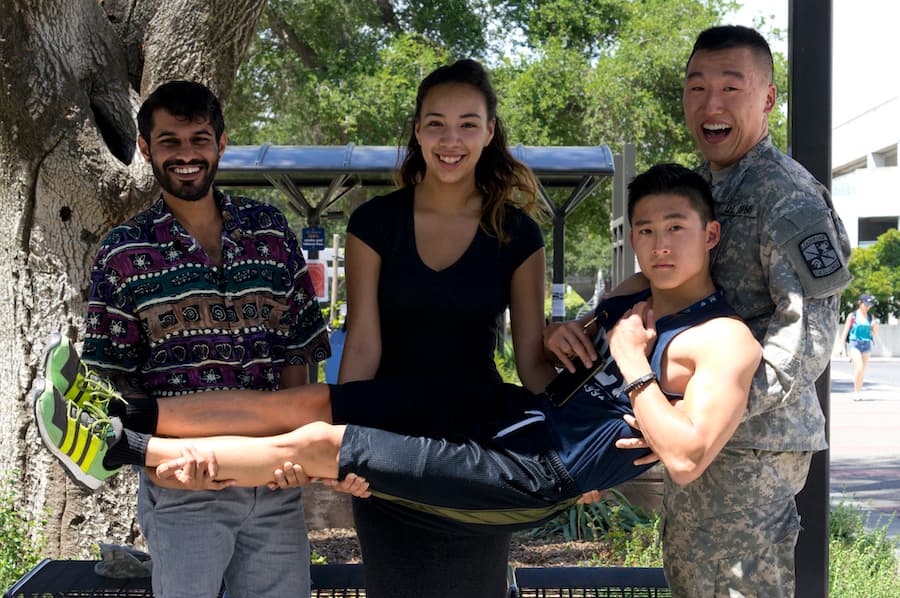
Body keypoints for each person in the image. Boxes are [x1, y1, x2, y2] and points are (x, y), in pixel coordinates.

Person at [35, 164, 760, 544]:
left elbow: (687, 457)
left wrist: (631, 365)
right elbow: (563, 354)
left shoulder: (724, 341)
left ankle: (116, 448)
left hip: (537, 473)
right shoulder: (638, 291)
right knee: (308, 400)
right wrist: (561, 332)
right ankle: (121, 407)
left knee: (319, 444)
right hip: (513, 412)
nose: (659, 245)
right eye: (645, 230)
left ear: (711, 236)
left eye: (676, 228)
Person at [68, 80, 331, 598]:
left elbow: (297, 351)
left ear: (221, 143)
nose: (186, 154)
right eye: (170, 141)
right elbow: (112, 384)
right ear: (145, 147)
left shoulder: (269, 230)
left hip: (272, 476)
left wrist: (296, 449)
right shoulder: (124, 253)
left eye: (199, 139)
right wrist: (160, 462)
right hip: (185, 483)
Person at [337, 58, 557, 597]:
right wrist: (344, 441)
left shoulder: (518, 234)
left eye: (467, 124)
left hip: (476, 449)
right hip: (387, 441)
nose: (450, 139)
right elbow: (362, 344)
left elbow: (532, 363)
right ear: (417, 131)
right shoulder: (373, 223)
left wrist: (573, 440)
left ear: (489, 132)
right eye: (436, 123)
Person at [654, 25, 851, 596]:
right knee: (694, 578)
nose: (710, 104)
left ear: (767, 98)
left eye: (730, 87)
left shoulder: (787, 196)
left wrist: (715, 410)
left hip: (751, 445)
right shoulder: (703, 188)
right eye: (697, 88)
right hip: (705, 437)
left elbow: (806, 339)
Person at [840, 293, 879, 401]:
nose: (867, 307)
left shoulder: (870, 317)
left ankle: (858, 391)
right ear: (859, 303)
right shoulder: (852, 316)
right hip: (854, 343)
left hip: (866, 344)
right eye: (865, 304)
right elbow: (845, 331)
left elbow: (875, 333)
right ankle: (856, 392)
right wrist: (840, 347)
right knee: (859, 368)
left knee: (861, 371)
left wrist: (875, 325)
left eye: (869, 305)